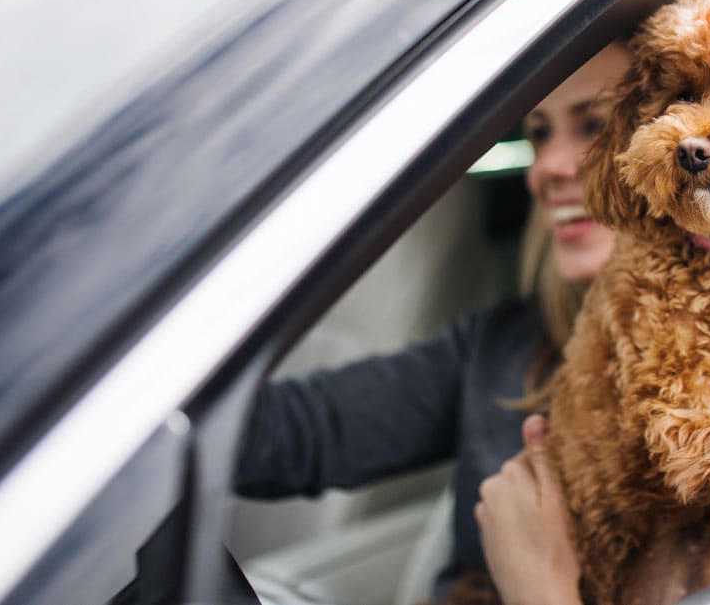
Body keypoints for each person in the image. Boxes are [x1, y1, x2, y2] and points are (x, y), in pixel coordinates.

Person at [234, 41, 630, 601]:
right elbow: (300, 432)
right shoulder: (506, 343)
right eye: (539, 133)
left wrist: (541, 589)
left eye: (594, 126)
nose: (546, 167)